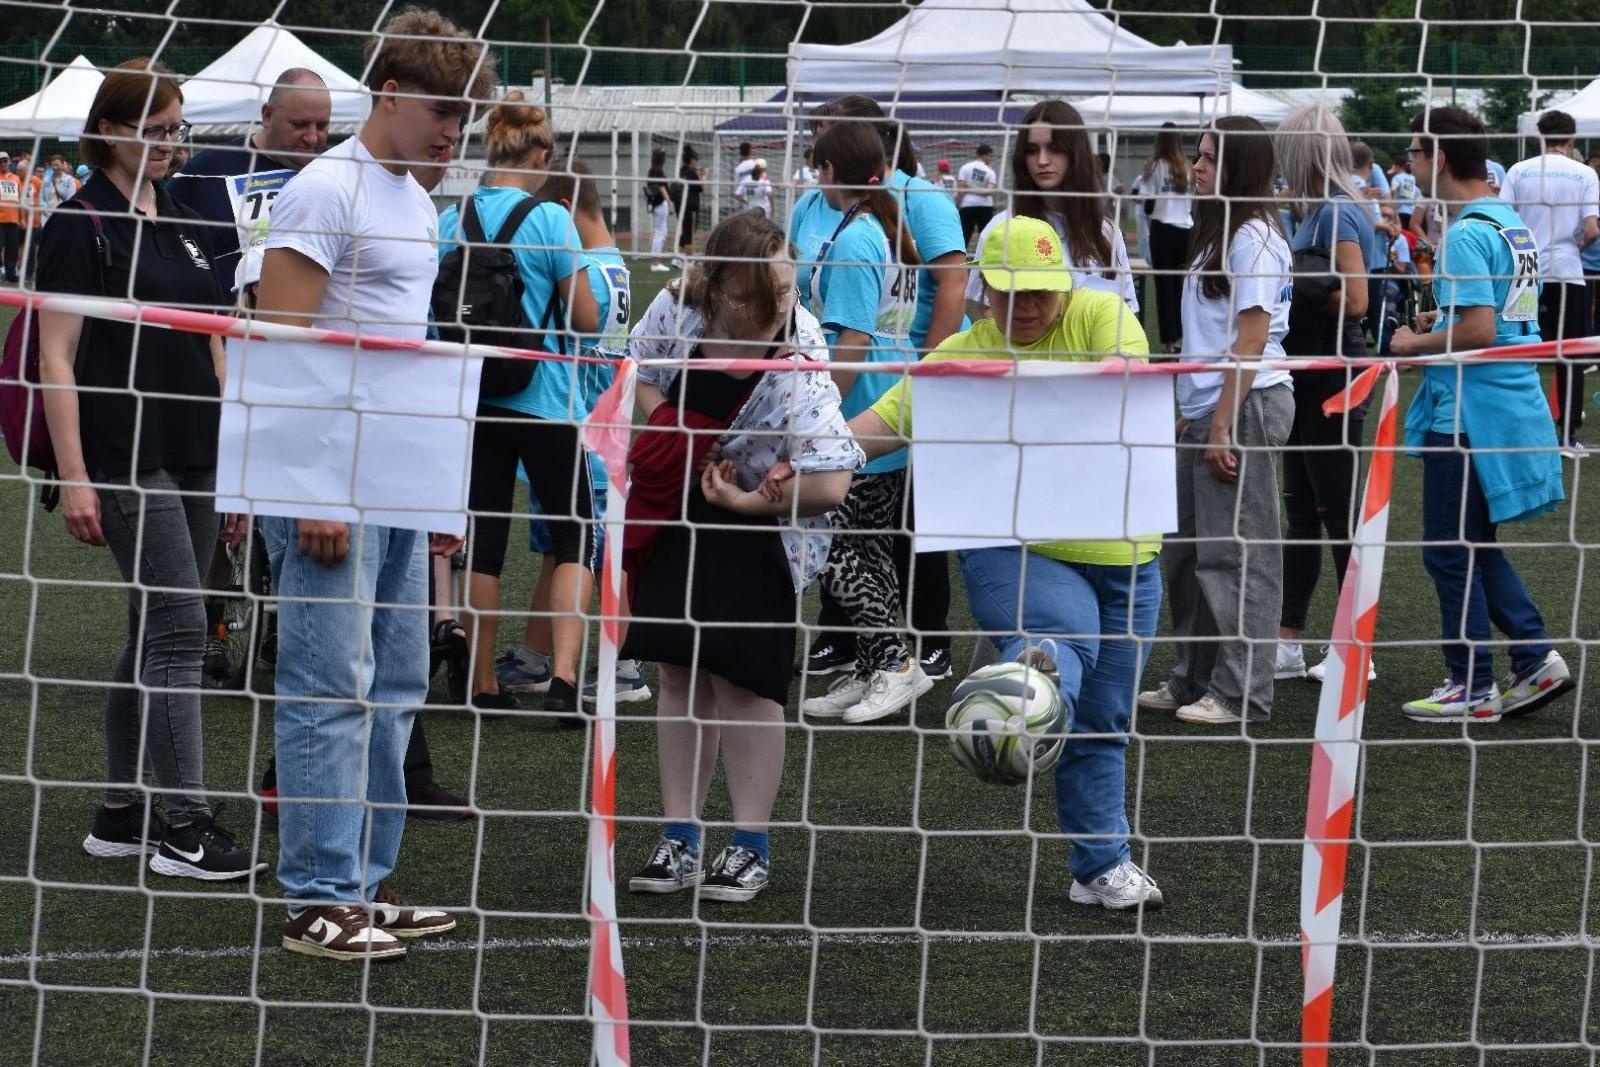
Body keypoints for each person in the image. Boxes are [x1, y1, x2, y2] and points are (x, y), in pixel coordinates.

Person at [252, 8, 496, 961]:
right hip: (331, 481)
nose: (454, 132)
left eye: (466, 118)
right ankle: (318, 893)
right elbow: (281, 347)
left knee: (396, 676)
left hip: (400, 477)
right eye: (443, 109)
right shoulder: (326, 190)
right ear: (390, 93)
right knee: (329, 680)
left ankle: (364, 881)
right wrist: (314, 488)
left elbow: (411, 356)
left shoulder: (418, 200)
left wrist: (437, 491)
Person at [845, 216, 1163, 910]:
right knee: (1060, 643)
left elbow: (1125, 380)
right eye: (1007, 292)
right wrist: (803, 453)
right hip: (1013, 549)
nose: (1025, 307)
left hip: (1128, 557)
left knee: (1107, 719)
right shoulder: (960, 353)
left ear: (1066, 284)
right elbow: (886, 421)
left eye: (1040, 293)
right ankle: (1021, 694)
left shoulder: (1103, 315)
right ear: (983, 286)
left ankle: (1099, 866)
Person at [36, 59, 261, 880]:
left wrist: (236, 464)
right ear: (110, 130)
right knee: (177, 629)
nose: (171, 144)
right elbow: (53, 359)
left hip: (198, 447)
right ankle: (186, 824)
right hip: (125, 451)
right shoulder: (76, 223)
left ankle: (122, 811)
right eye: (156, 129)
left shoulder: (187, 217)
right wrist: (75, 476)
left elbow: (214, 340)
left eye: (177, 129)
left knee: (152, 629)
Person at [622, 211, 861, 902]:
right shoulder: (677, 305)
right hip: (676, 513)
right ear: (719, 285)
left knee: (743, 683)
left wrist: (749, 502)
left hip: (758, 530)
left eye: (787, 289)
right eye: (764, 294)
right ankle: (680, 837)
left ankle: (749, 844)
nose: (780, 305)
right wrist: (673, 427)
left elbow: (831, 479)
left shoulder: (802, 342)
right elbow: (638, 370)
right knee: (676, 669)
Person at [1389, 107, 1572, 723]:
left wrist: (1415, 343)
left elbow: (1479, 328)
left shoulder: (1467, 231)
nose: (1410, 164)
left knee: (1447, 549)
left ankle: (1472, 682)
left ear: (1437, 158)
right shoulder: (1510, 223)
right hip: (1508, 402)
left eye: (1414, 152)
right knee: (1474, 545)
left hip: (1470, 411)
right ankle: (1534, 659)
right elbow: (1500, 319)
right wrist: (1436, 324)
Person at [435, 91, 599, 716]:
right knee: (573, 534)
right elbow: (584, 318)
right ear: (542, 154)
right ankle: (561, 680)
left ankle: (482, 684)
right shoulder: (552, 218)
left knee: (484, 542)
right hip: (546, 398)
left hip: (477, 398)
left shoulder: (453, 217)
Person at [792, 94, 964, 682]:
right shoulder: (874, 221)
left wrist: (821, 411)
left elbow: (856, 337)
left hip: (866, 397)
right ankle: (874, 662)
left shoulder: (868, 231)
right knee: (865, 545)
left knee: (845, 547)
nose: (813, 160)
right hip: (879, 391)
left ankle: (897, 661)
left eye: (820, 148)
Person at [1137, 116, 1293, 726]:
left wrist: (1222, 424)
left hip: (1246, 405)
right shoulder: (1217, 228)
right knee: (1186, 551)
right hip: (1211, 407)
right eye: (1198, 156)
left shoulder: (1251, 236)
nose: (1195, 167)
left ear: (1242, 168)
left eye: (1207, 158)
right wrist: (1191, 411)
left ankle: (1241, 693)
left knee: (1236, 554)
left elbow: (1250, 341)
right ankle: (1193, 677)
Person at [495, 157, 650, 705]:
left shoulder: (587, 273)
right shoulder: (612, 264)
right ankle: (537, 659)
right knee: (563, 549)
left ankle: (626, 664)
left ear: (561, 211)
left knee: (598, 550)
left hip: (586, 432)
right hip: (587, 427)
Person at [1270, 106, 1382, 685]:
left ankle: (1357, 650)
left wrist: (1304, 297)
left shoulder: (1337, 210)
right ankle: (1289, 643)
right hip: (1310, 370)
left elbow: (1357, 300)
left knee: (1336, 514)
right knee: (1304, 513)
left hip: (1335, 373)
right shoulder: (1318, 209)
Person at [964, 99, 1138, 319]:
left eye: (1054, 148)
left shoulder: (1105, 231)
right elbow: (982, 314)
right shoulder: (1001, 227)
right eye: (1032, 150)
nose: (1042, 160)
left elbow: (1126, 315)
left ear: (1076, 152)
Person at [167, 68, 332, 290]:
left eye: (322, 126)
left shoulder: (335, 173)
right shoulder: (208, 171)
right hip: (229, 321)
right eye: (299, 124)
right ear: (267, 115)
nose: (312, 138)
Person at [1499, 109, 1600, 453]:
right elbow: (1591, 230)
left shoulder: (1518, 170)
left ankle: (1515, 430)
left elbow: (1503, 222)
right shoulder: (1585, 173)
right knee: (1569, 354)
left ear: (1539, 138)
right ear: (1572, 139)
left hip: (1525, 274)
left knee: (1518, 349)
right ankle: (1567, 435)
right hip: (1568, 274)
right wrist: (1575, 244)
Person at [1140, 123, 1193, 354]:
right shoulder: (1188, 167)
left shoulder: (1154, 166)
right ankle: (1186, 337)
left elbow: (1148, 204)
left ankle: (1170, 341)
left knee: (1164, 287)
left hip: (1163, 229)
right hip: (1185, 230)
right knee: (1184, 286)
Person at [956, 144, 997, 245]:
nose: (990, 158)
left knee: (964, 235)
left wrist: (960, 201)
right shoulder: (990, 171)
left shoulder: (965, 168)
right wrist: (979, 189)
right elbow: (990, 191)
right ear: (984, 155)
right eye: (990, 156)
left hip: (967, 204)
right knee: (986, 235)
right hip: (985, 206)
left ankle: (960, 259)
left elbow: (961, 188)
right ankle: (984, 258)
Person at [644, 145, 673, 270]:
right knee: (660, 233)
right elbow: (661, 187)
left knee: (662, 232)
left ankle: (656, 261)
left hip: (658, 204)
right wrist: (669, 202)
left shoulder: (653, 170)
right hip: (660, 204)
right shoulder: (657, 171)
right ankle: (655, 262)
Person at [676, 144, 703, 256]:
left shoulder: (682, 171)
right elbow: (700, 187)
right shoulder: (691, 173)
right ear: (691, 160)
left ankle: (680, 256)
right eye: (696, 159)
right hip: (690, 207)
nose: (697, 162)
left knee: (686, 233)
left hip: (681, 206)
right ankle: (689, 259)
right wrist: (704, 175)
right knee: (689, 235)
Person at [0, 151, 21, 283]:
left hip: (14, 219)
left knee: (12, 249)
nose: (3, 163)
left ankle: (10, 274)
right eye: (0, 161)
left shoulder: (16, 178)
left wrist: (22, 218)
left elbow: (21, 197)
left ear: (9, 162)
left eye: (5, 160)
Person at [39, 154, 81, 218]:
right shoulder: (46, 180)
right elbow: (41, 198)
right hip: (47, 216)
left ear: (62, 165)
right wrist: (46, 211)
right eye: (53, 165)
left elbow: (70, 198)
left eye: (57, 165)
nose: (55, 167)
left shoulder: (69, 180)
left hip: (62, 215)